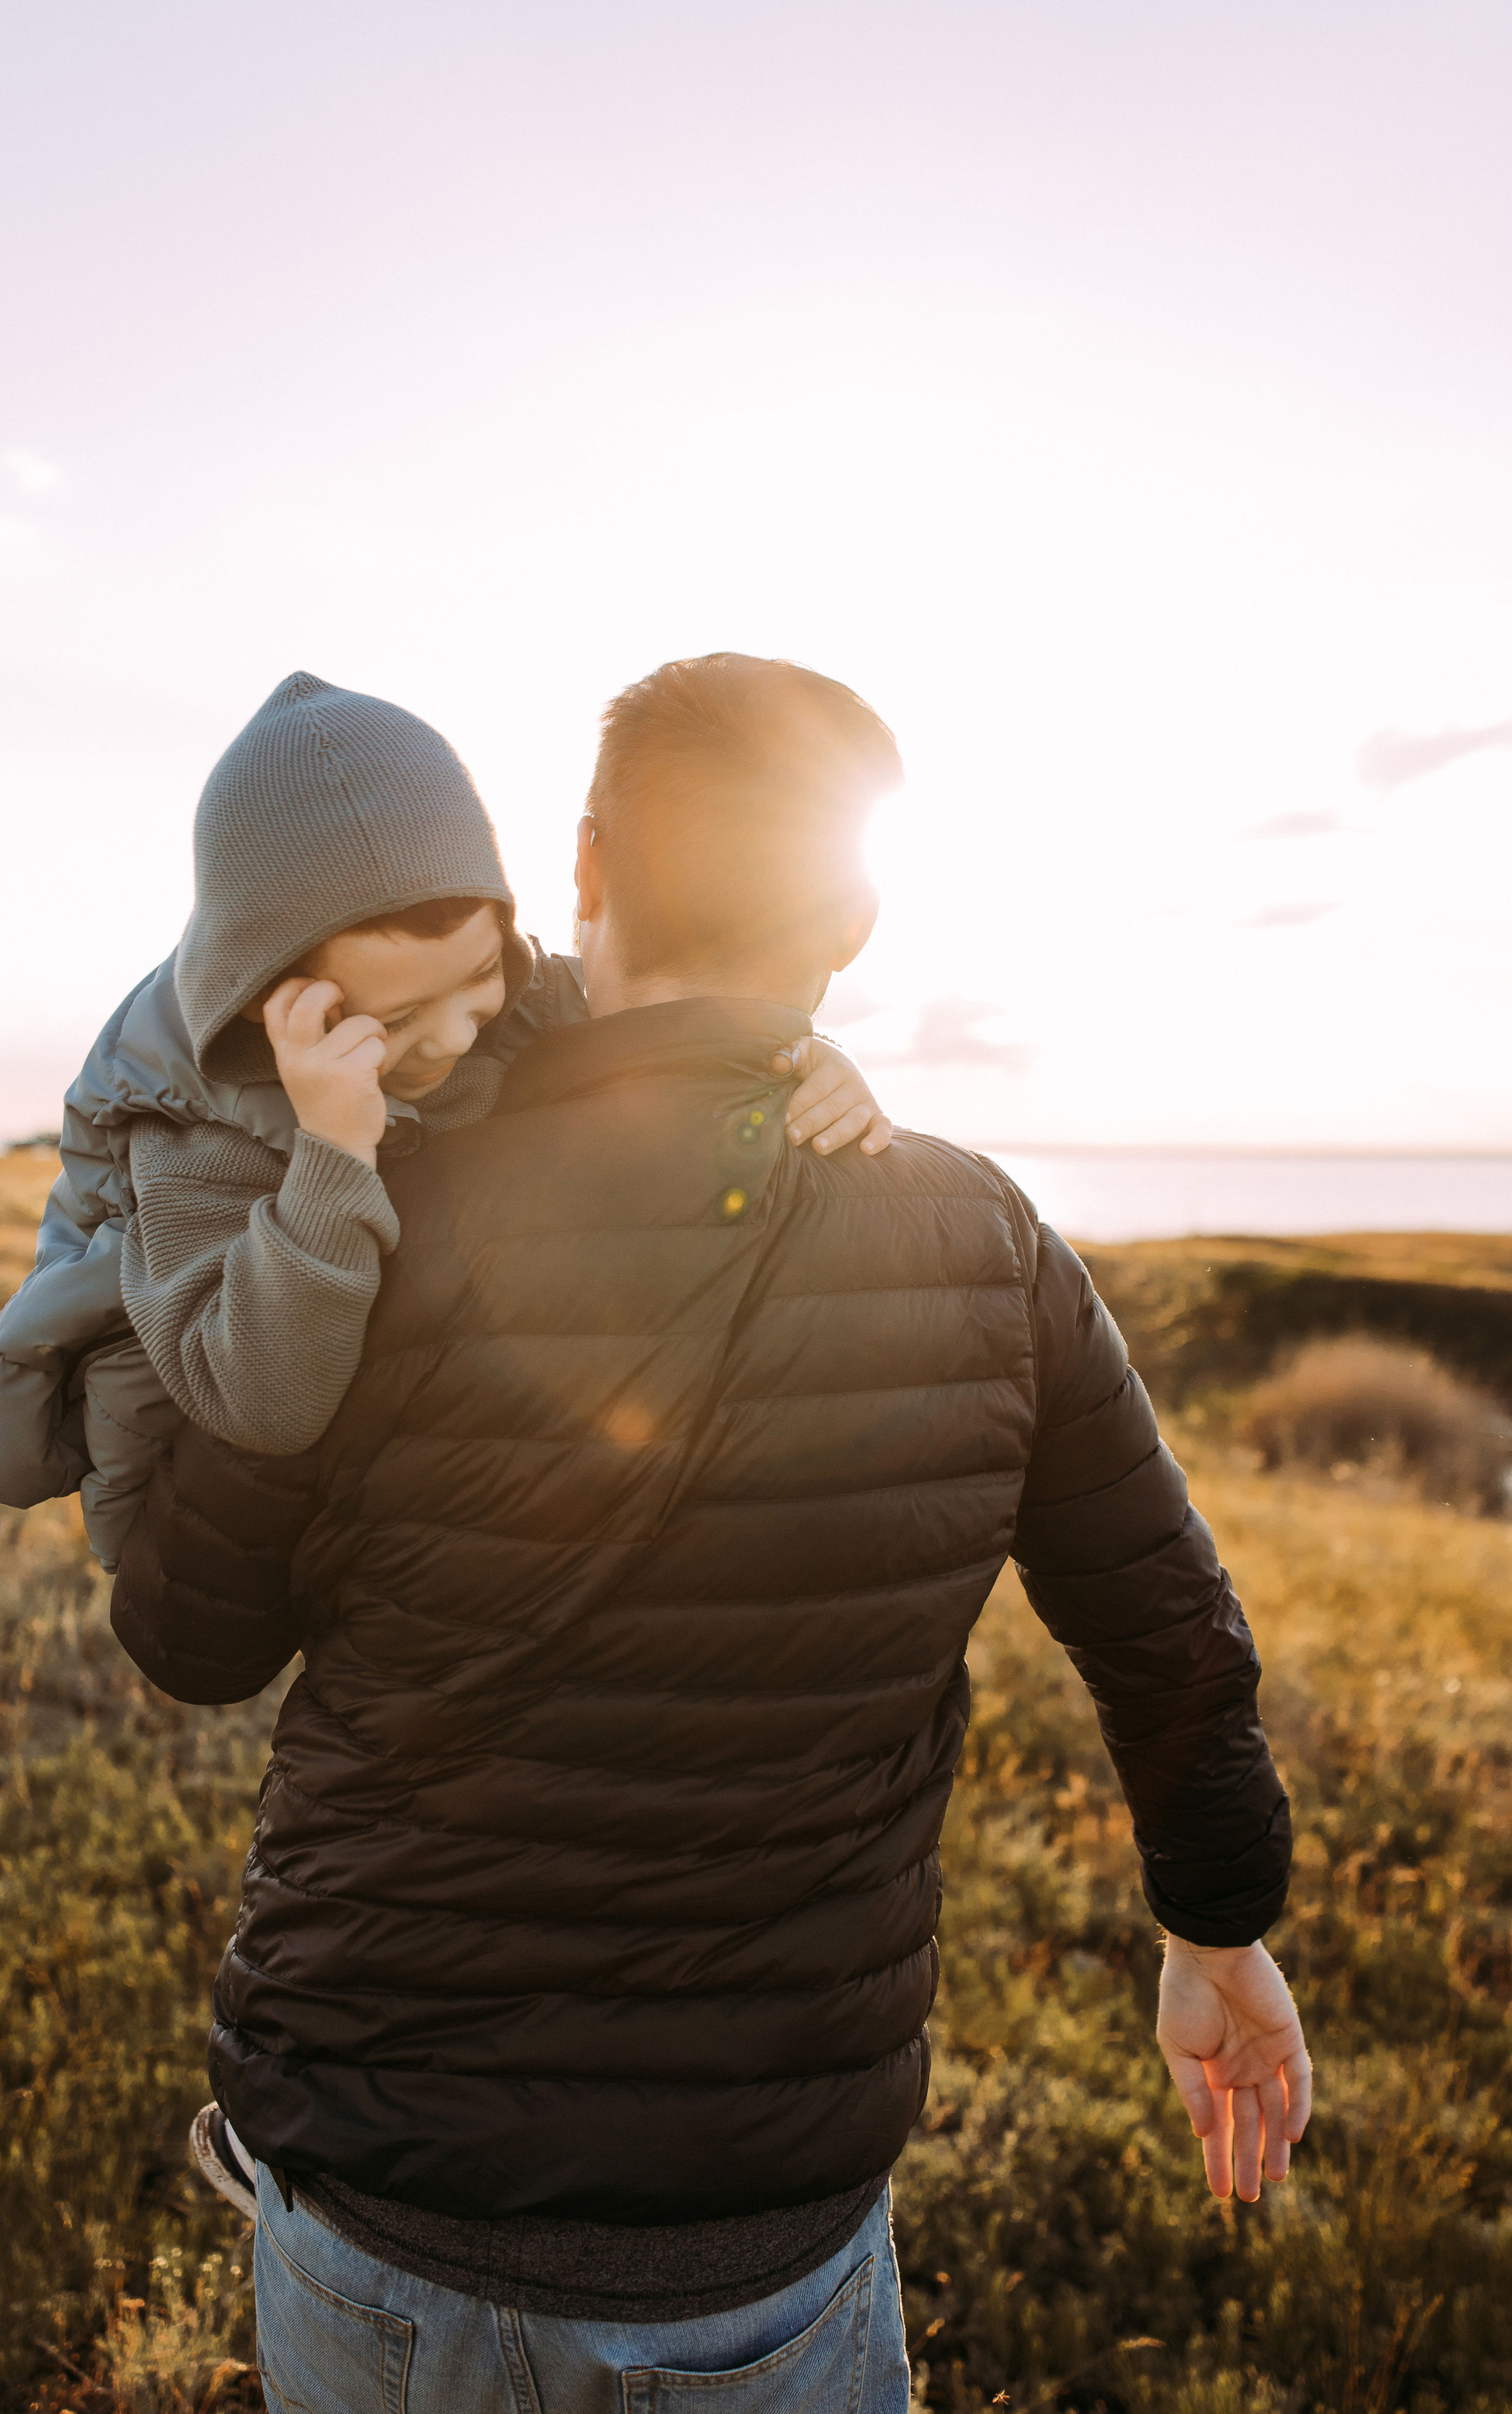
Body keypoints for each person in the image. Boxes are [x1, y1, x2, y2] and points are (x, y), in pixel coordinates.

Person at [113, 653, 1310, 2414]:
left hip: (380, 2211)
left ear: (583, 869)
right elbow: (1165, 1624)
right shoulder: (980, 1238)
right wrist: (1218, 1931)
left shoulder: (371, 1215)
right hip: (755, 2254)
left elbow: (188, 1636)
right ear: (857, 915)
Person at [0, 670, 888, 1567]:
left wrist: (804, 1059)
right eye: (391, 1021)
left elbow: (676, 1036)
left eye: (481, 975)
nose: (450, 1037)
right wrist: (330, 1152)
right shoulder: (199, 1138)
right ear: (266, 1004)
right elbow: (262, 1406)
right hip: (221, 1511)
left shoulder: (527, 994)